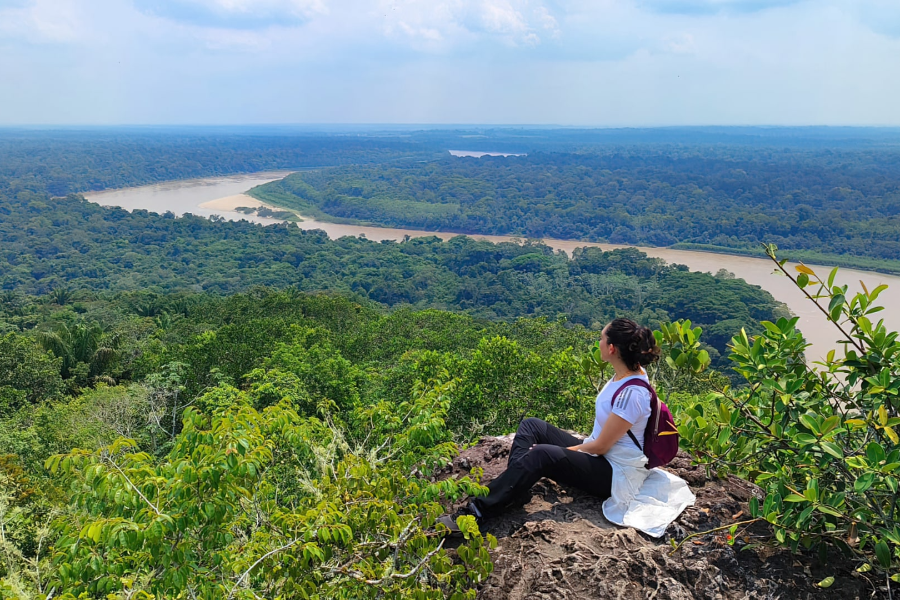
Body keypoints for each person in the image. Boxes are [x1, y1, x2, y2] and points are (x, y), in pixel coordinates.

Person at [437, 317, 665, 534]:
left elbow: (601, 447)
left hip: (614, 473)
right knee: (531, 426)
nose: (598, 342)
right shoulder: (624, 374)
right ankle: (514, 488)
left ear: (612, 348)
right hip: (601, 455)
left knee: (542, 455)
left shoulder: (632, 394)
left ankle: (477, 512)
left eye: (601, 338)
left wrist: (563, 453)